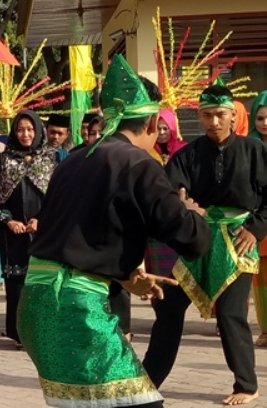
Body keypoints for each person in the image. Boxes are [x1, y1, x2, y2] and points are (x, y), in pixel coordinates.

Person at [18, 55, 211, 408]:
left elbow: (76, 235)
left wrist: (124, 275)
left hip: (37, 303)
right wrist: (193, 213)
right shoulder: (139, 163)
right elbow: (192, 239)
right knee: (140, 404)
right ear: (154, 120)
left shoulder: (75, 159)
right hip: (74, 307)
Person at [143, 84, 267, 406]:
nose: (214, 122)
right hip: (196, 239)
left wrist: (256, 228)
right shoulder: (187, 155)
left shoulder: (256, 152)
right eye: (207, 115)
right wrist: (182, 209)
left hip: (239, 241)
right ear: (199, 116)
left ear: (232, 116)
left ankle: (246, 385)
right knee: (169, 307)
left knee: (230, 313)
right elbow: (170, 193)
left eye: (220, 115)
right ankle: (146, 380)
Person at [0, 110, 57, 349]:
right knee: (17, 284)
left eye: (30, 129)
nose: (25, 134)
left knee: (43, 283)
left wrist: (41, 219)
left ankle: (43, 332)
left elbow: (57, 196)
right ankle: (20, 334)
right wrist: (8, 220)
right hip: (14, 234)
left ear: (38, 130)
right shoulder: (4, 159)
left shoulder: (51, 158)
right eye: (20, 129)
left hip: (44, 232)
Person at [249, 91, 267, 348]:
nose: (265, 123)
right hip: (257, 224)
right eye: (261, 117)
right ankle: (265, 330)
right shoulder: (247, 149)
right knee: (260, 281)